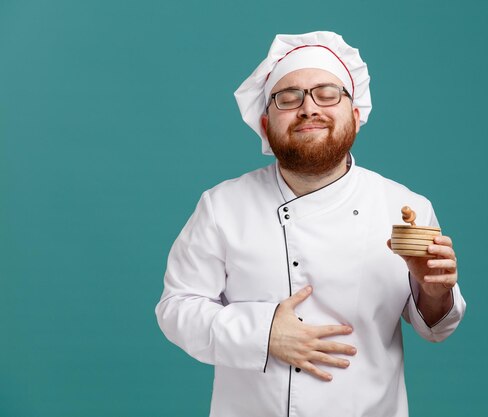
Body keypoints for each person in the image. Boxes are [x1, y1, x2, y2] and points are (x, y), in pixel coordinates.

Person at [156, 31, 466, 417]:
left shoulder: (404, 207)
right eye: (289, 98)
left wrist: (433, 290)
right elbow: (176, 309)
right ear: (266, 124)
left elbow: (436, 329)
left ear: (355, 115)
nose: (308, 108)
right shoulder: (222, 206)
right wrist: (264, 333)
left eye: (327, 93)